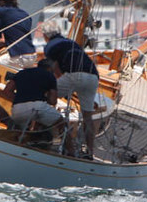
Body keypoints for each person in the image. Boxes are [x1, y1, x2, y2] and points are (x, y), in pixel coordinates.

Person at [42, 18, 104, 154]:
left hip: (74, 75)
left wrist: (55, 91)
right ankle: (90, 152)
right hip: (93, 76)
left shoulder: (49, 46)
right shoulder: (71, 42)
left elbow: (56, 70)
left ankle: (42, 136)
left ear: (45, 35)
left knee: (43, 97)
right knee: (87, 117)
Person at [2, 59, 65, 141]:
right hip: (37, 107)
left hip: (17, 109)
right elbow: (53, 101)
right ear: (50, 68)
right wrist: (44, 98)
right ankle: (69, 148)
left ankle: (23, 140)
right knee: (61, 122)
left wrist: (20, 99)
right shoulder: (50, 76)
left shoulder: (22, 73)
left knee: (27, 123)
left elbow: (7, 91)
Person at [0, 0, 36, 68]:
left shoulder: (1, 11)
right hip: (31, 55)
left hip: (17, 56)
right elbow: (18, 34)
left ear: (2, 1)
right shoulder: (25, 14)